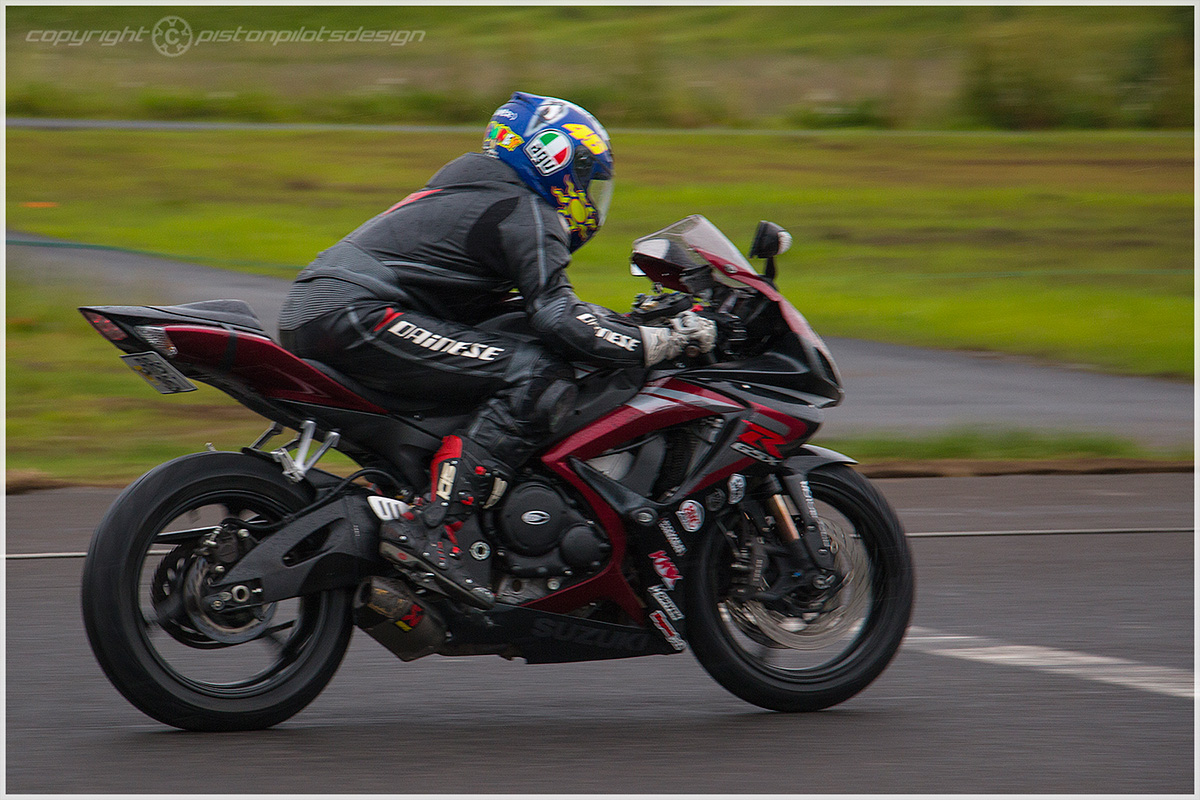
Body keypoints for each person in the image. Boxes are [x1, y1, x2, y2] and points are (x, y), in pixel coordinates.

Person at [278, 91, 716, 608]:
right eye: (585, 176)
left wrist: (617, 324)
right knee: (538, 375)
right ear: (552, 157)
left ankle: (413, 501)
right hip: (356, 314)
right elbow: (557, 317)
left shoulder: (480, 192)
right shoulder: (525, 208)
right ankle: (434, 528)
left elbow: (530, 314)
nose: (587, 194)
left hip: (327, 311)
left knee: (513, 351)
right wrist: (660, 341)